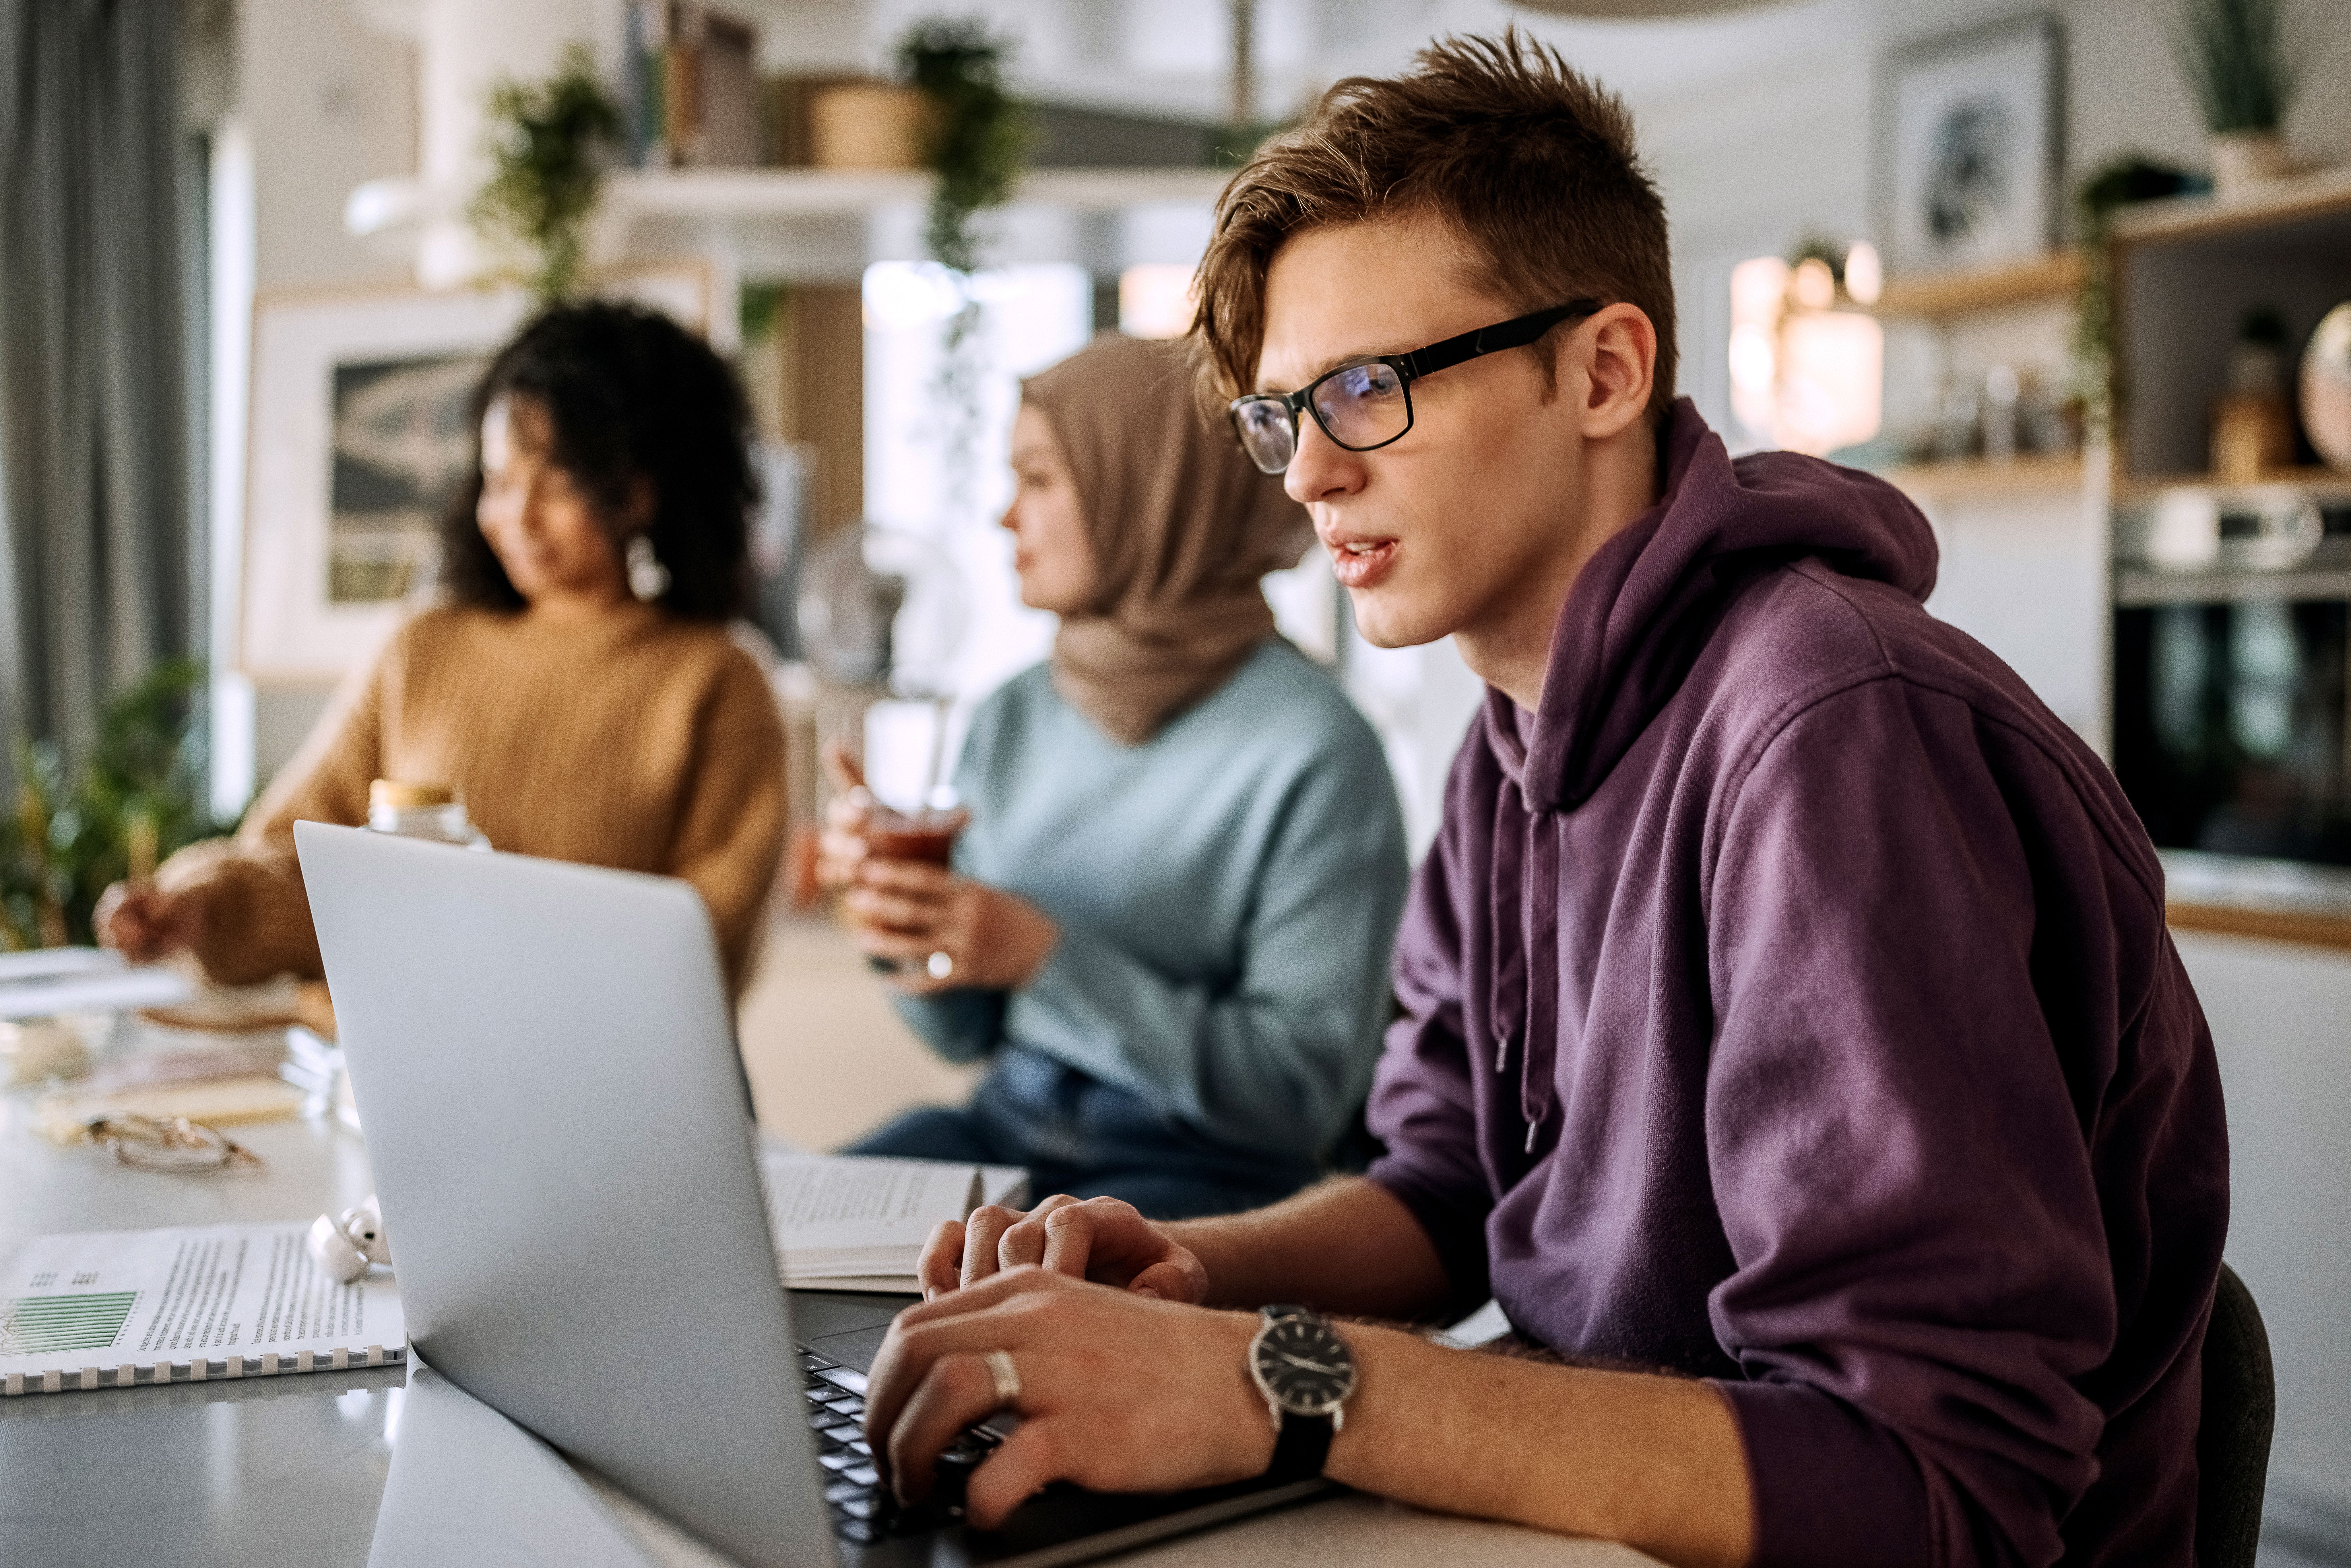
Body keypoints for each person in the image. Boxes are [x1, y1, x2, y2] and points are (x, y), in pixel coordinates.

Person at [856, 33, 2227, 1568]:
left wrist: (1274, 1378)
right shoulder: (1511, 741)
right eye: (1279, 415)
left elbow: (1934, 1477)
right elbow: (1451, 1189)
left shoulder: (1834, 737)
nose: (1307, 475)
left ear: (1603, 370)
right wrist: (1186, 1272)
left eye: (1365, 391)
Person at [820, 330, 1410, 1220]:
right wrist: (909, 917)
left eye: (1039, 479)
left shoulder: (1318, 749)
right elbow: (963, 1035)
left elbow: (1299, 1099)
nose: (1004, 516)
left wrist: (1041, 958)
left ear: (1147, 492)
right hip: (1002, 1133)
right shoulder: (1013, 713)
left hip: (1207, 1185)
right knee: (744, 1239)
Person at [100, 302, 787, 998]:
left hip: (619, 1095)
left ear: (640, 492)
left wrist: (457, 961)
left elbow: (705, 933)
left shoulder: (719, 679)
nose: (516, 515)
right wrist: (200, 906)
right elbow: (300, 856)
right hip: (398, 1076)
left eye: (556, 484)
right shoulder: (420, 649)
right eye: (498, 479)